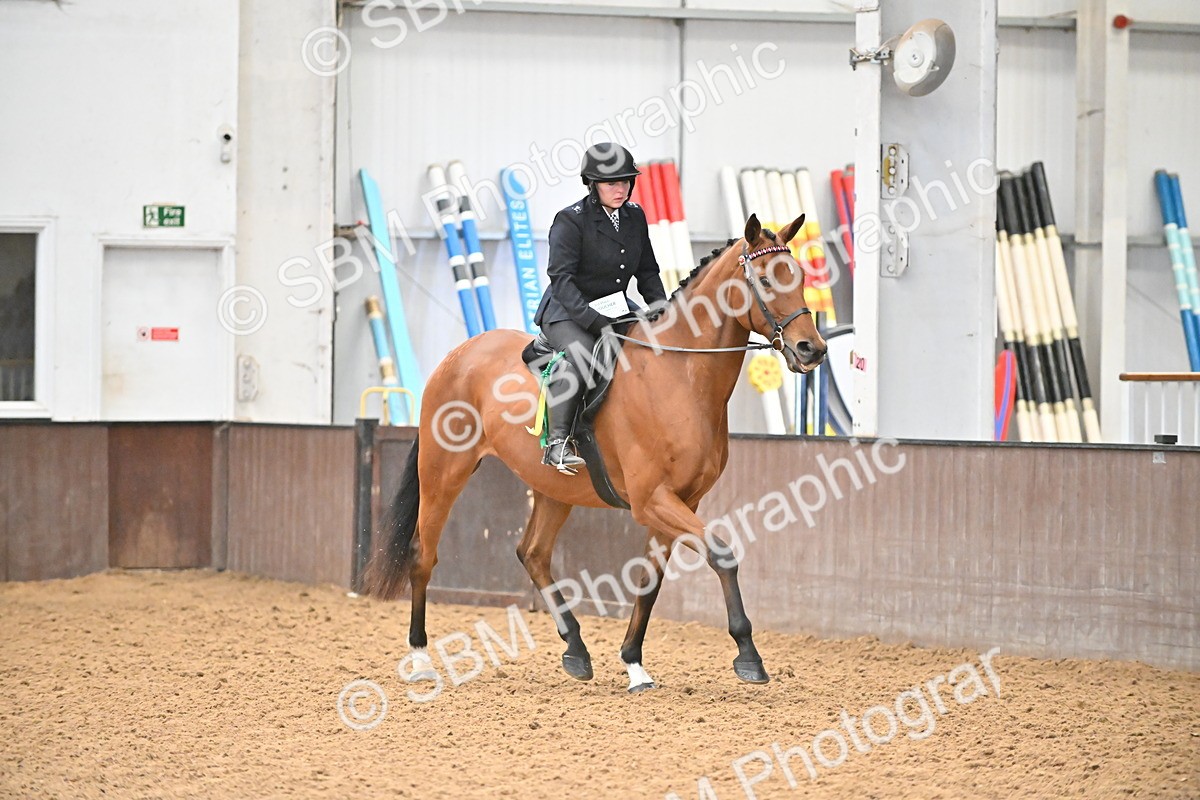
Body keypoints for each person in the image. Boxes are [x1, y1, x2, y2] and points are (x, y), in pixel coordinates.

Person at [533, 142, 668, 473]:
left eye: (625, 181)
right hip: (568, 310)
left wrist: (663, 308)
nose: (620, 189)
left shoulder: (634, 217)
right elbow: (561, 280)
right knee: (583, 357)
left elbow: (647, 271)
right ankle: (558, 443)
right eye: (612, 183)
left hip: (616, 305)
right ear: (593, 185)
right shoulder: (570, 221)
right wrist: (595, 322)